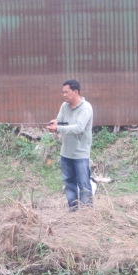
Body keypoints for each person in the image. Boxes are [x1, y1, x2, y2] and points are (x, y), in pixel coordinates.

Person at [47, 80, 93, 210]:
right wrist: (55, 123)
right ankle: (73, 209)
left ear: (76, 92)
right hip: (66, 152)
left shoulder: (86, 108)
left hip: (80, 153)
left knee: (84, 184)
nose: (64, 95)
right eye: (63, 92)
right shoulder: (64, 106)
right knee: (69, 183)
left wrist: (58, 128)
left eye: (66, 92)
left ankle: (86, 212)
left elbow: (79, 128)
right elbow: (61, 121)